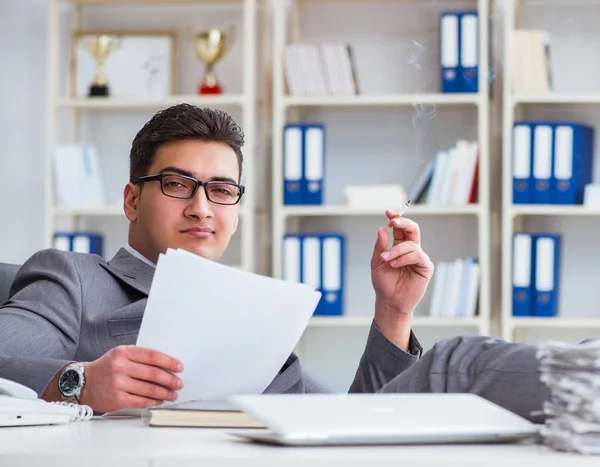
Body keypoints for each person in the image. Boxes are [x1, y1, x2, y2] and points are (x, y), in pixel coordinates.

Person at [0, 104, 549, 421]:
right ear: (131, 200)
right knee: (461, 364)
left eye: (220, 190)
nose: (200, 207)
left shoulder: (252, 316)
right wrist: (79, 382)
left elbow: (352, 423)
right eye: (176, 184)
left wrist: (392, 312)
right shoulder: (75, 278)